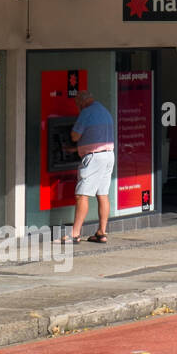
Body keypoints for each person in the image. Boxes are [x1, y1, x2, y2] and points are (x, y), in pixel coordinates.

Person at [65, 89, 115, 244]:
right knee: (103, 194)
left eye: (77, 104)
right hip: (108, 155)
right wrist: (77, 149)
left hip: (94, 158)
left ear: (81, 102)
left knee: (82, 195)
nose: (77, 107)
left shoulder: (86, 112)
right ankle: (101, 232)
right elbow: (95, 137)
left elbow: (75, 136)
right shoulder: (104, 111)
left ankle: (75, 234)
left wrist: (74, 143)